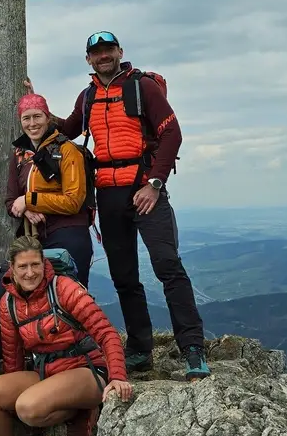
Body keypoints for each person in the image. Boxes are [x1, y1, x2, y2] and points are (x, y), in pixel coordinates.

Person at [25, 30, 211, 380]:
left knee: (167, 266)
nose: (103, 56)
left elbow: (172, 133)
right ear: (88, 59)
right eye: (96, 52)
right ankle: (140, 349)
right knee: (124, 275)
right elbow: (68, 129)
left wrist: (155, 184)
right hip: (108, 193)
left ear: (119, 51)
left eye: (108, 49)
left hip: (144, 189)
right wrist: (37, 107)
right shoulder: (88, 96)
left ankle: (192, 348)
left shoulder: (143, 87)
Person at [0, 236, 132, 436]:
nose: (30, 273)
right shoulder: (8, 304)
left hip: (86, 369)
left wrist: (118, 376)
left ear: (44, 263)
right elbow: (13, 356)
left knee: (28, 408)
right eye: (23, 266)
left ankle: (82, 411)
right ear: (12, 268)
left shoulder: (63, 289)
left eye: (35, 264)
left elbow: (106, 333)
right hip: (47, 371)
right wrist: (2, 407)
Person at [5, 92, 95, 286]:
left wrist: (29, 200)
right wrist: (27, 209)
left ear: (48, 118)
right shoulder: (20, 155)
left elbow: (73, 202)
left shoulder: (67, 150)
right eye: (26, 118)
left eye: (37, 116)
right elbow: (11, 201)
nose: (32, 123)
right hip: (34, 238)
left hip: (69, 232)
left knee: (72, 296)